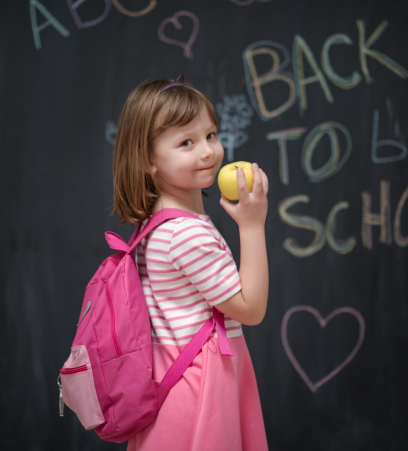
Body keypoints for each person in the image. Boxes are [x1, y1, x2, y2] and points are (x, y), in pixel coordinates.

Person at [111, 75, 270, 451]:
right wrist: (252, 225)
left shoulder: (160, 223)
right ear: (148, 161)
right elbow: (250, 309)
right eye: (186, 142)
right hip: (199, 391)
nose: (208, 152)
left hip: (177, 382)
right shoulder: (186, 235)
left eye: (211, 135)